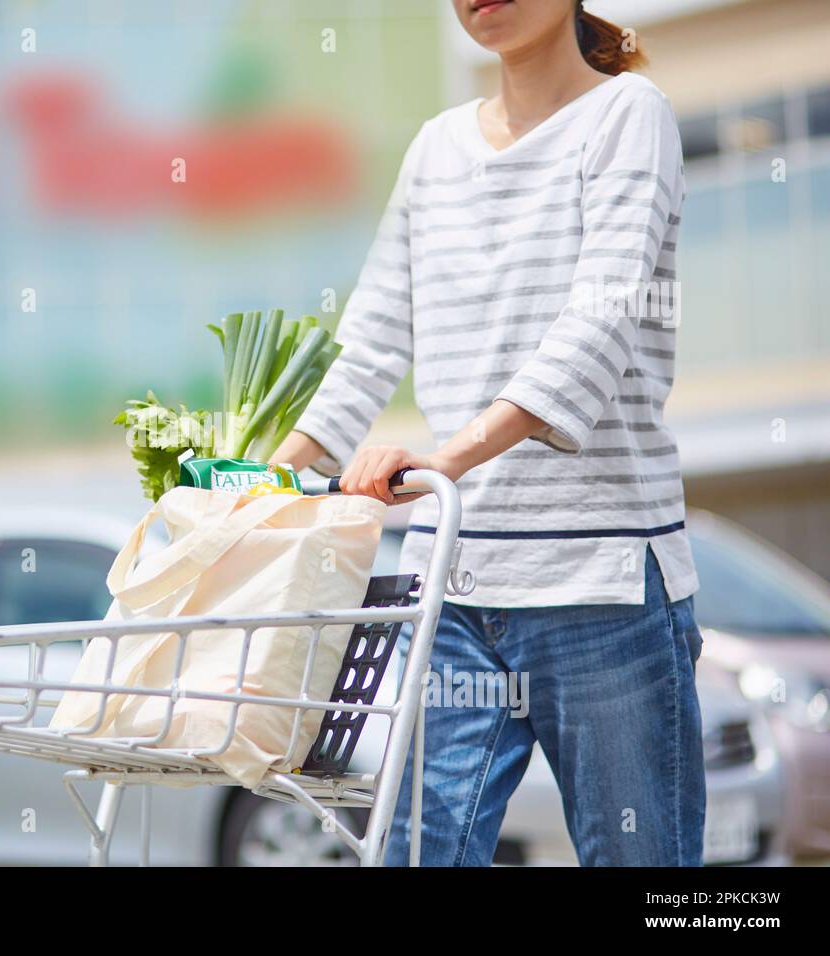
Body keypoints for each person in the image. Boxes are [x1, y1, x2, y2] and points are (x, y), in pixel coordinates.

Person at [273, 0, 705, 866]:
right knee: (416, 856)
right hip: (454, 589)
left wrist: (447, 457)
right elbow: (370, 337)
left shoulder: (628, 116)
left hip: (602, 587)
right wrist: (267, 476)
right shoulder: (436, 148)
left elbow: (601, 321)